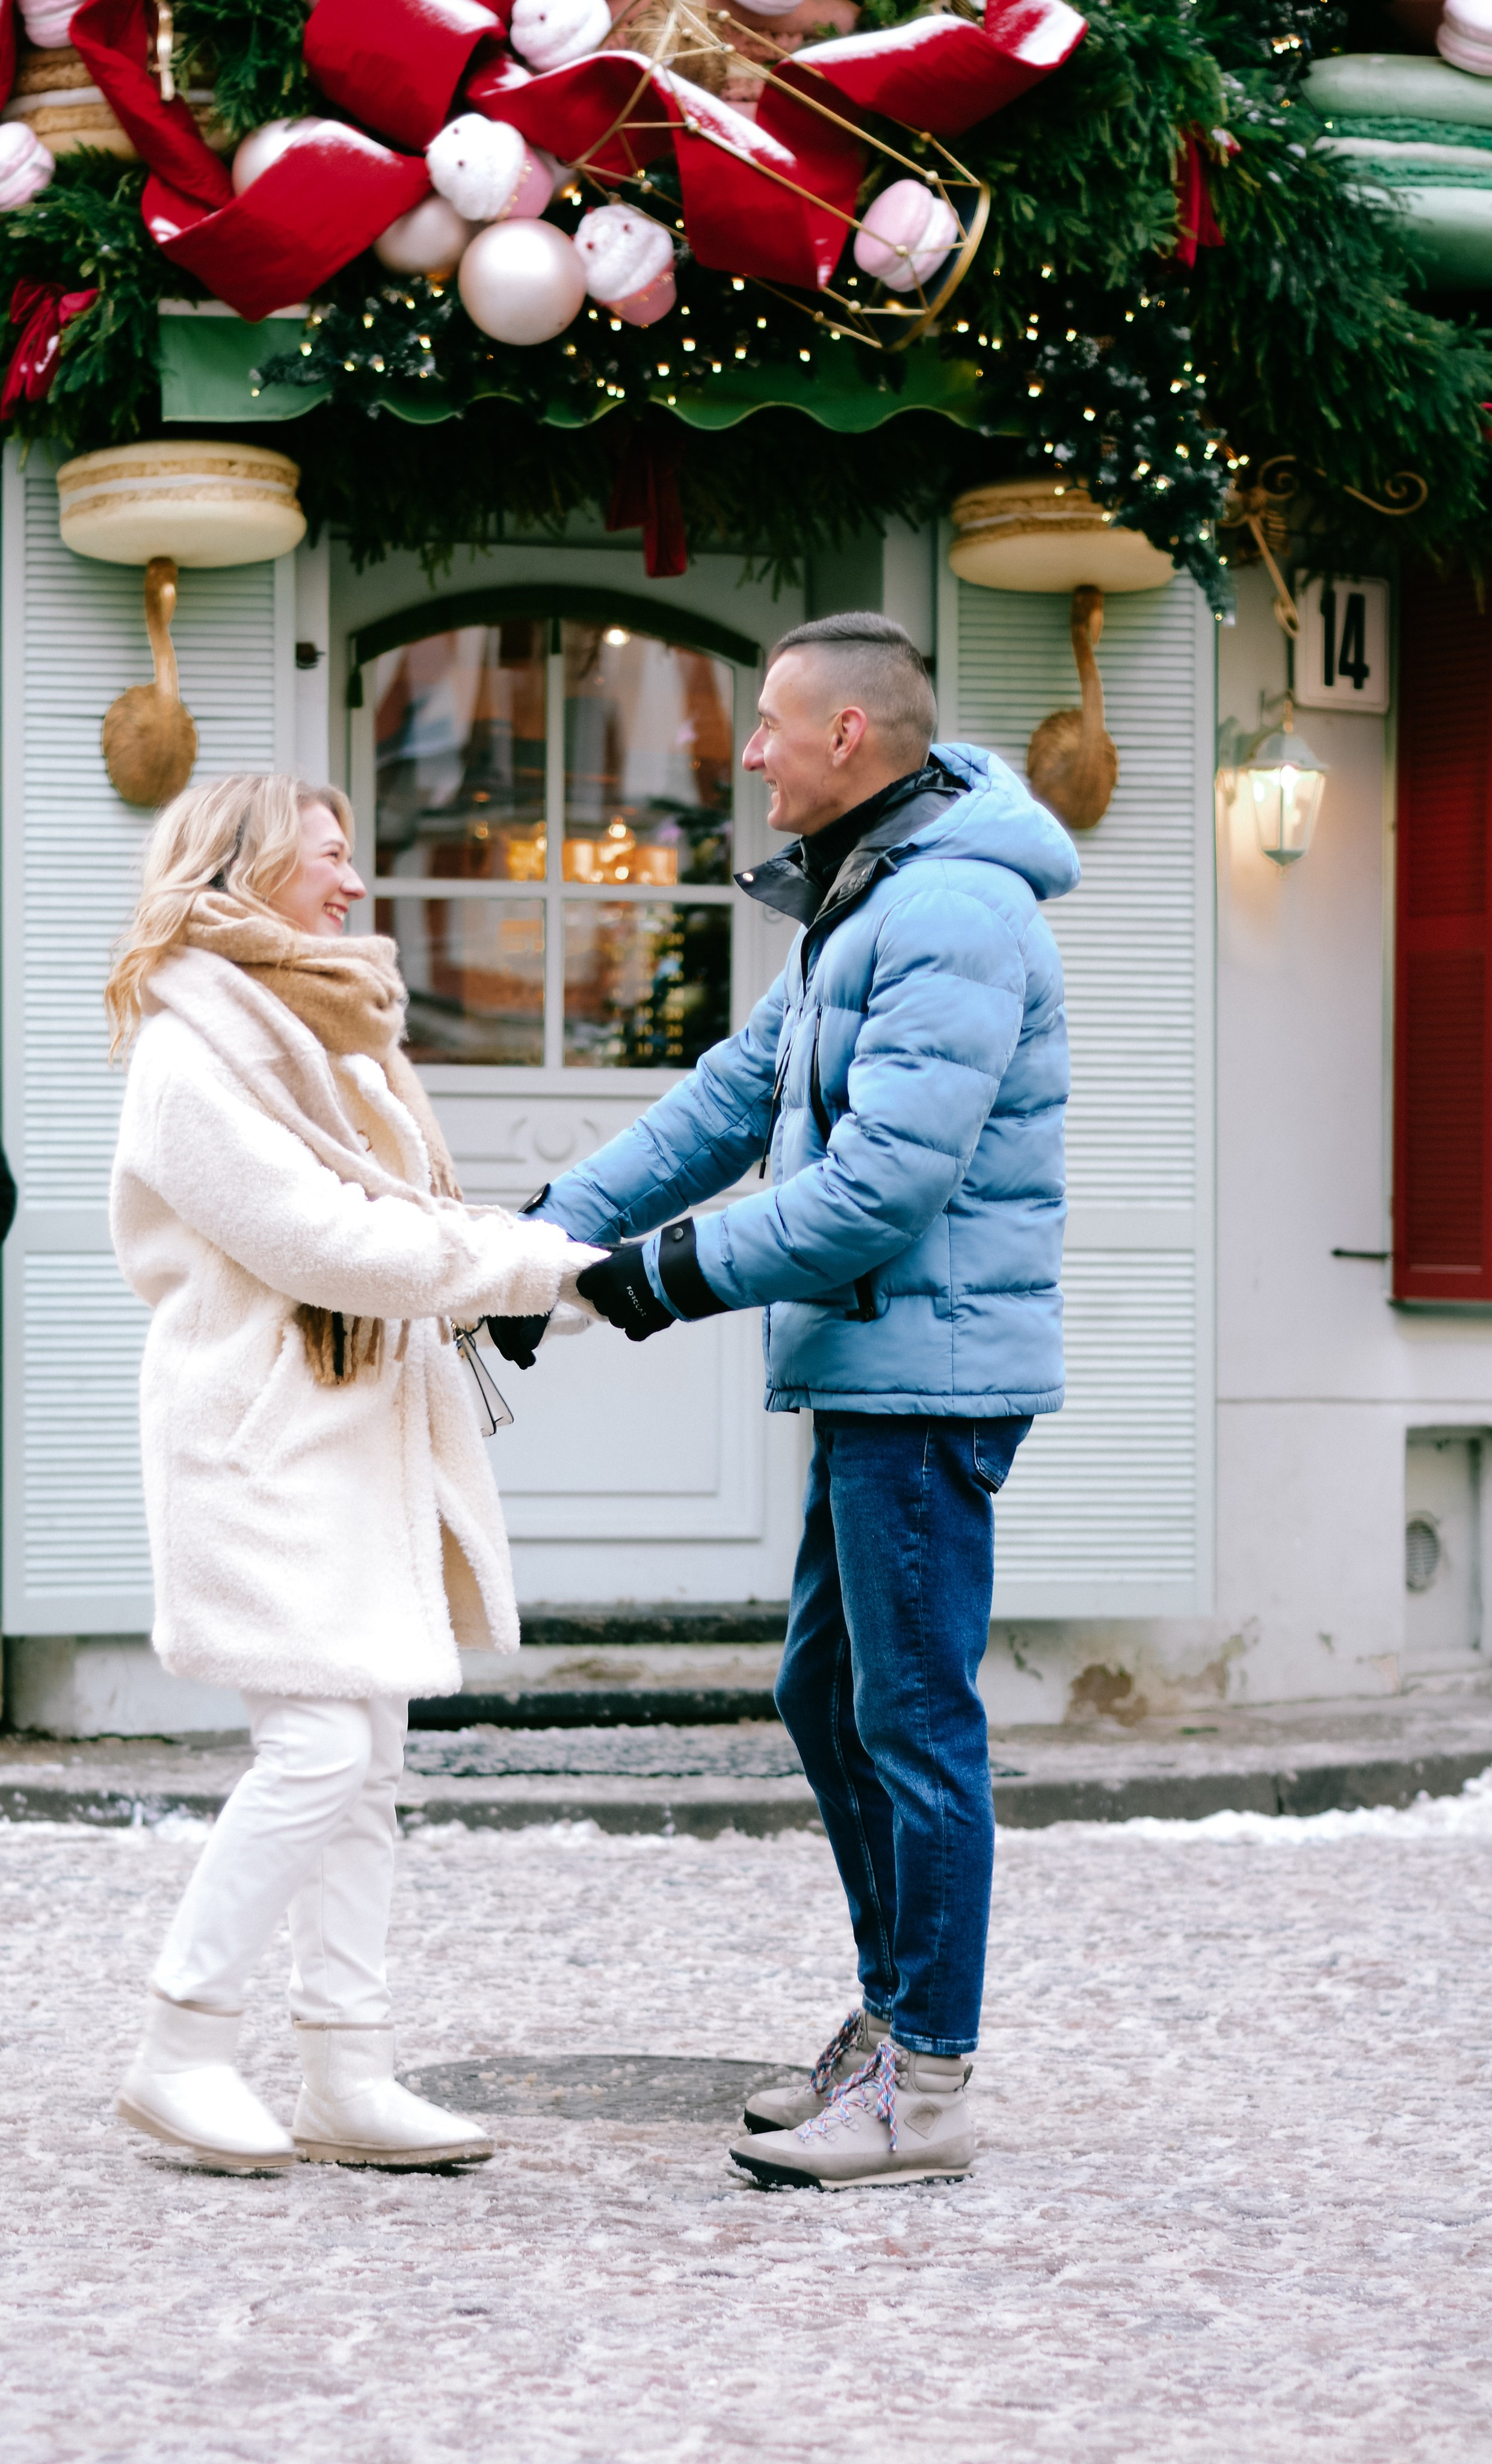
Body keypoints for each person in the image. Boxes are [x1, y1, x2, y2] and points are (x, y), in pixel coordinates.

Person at [498, 612, 1080, 2188]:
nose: (743, 752)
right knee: (829, 1702)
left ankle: (929, 2084)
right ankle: (898, 2028)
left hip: (924, 1376)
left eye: (767, 722)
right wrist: (554, 1233)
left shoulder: (950, 911)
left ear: (848, 738)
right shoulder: (864, 905)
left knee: (908, 1719)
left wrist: (655, 1280)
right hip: (874, 1370)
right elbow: (733, 1099)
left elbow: (882, 1191)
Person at [105, 774, 603, 2173]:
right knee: (318, 1745)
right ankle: (181, 2044)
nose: (356, 885)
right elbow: (324, 1236)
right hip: (263, 1436)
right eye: (328, 856)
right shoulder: (191, 1045)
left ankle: (346, 2067)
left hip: (351, 1426)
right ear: (246, 868)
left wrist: (515, 1262)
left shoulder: (328, 1029)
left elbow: (399, 1219)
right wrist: (535, 1261)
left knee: (364, 1755)